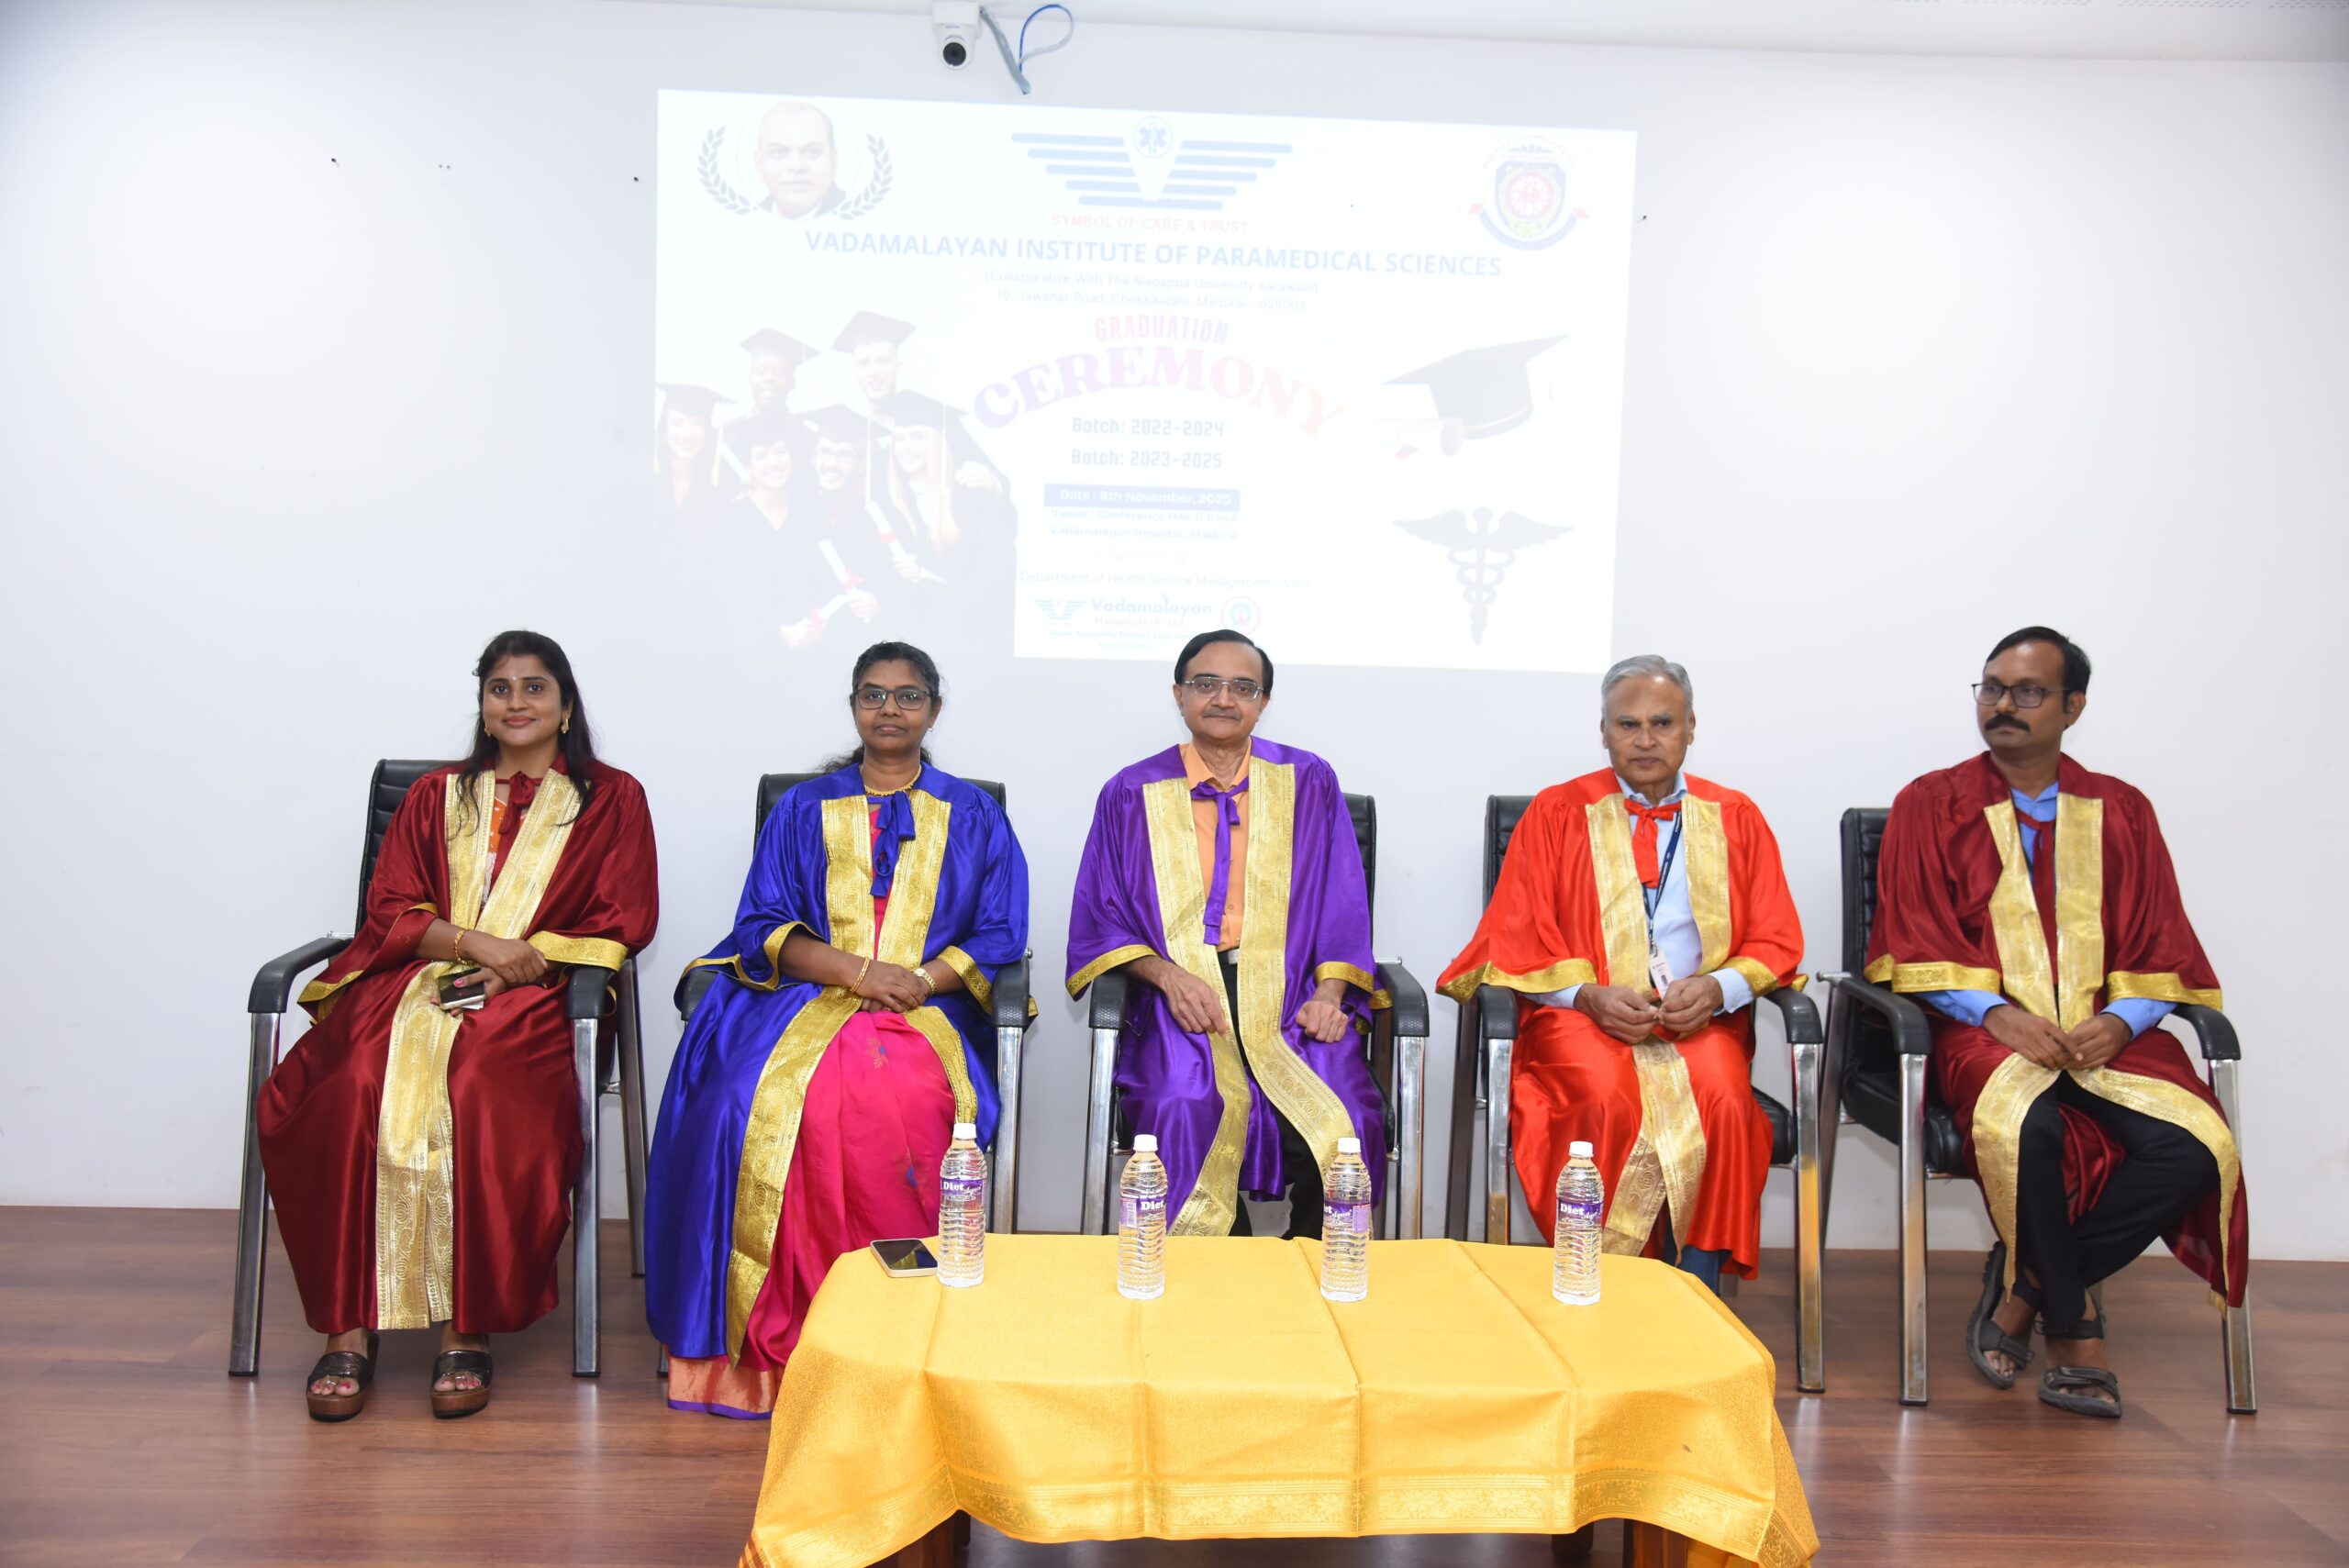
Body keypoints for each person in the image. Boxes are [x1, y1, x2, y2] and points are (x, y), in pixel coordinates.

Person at [256, 631, 659, 1421]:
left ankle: (466, 1324)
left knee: (478, 1081)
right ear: (482, 704)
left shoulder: (612, 798)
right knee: (349, 1083)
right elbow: (390, 909)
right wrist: (476, 945)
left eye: (535, 687)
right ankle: (348, 1324)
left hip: (541, 992)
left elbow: (623, 915)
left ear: (566, 706)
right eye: (500, 688)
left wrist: (520, 963)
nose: (516, 702)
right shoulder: (434, 794)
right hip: (414, 980)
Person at [1868, 626, 2244, 1418]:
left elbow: (2161, 937)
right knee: (2030, 1124)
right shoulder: (1928, 803)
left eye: (2028, 691)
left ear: (2073, 706)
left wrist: (2125, 1021)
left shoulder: (2123, 809)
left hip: (2104, 1034)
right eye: (1992, 687)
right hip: (1983, 1033)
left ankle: (2027, 1288)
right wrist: (1998, 1014)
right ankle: (2075, 1330)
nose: (2003, 705)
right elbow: (1915, 936)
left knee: (2196, 1146)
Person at [645, 642, 1029, 1418]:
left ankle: (897, 1339)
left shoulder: (975, 813)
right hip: (802, 996)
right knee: (736, 1098)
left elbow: (999, 932)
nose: (890, 709)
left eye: (908, 695)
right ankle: (769, 1349)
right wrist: (859, 973)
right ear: (853, 706)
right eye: (873, 694)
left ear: (934, 710)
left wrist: (913, 980)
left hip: (927, 1006)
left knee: (897, 1097)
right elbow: (761, 924)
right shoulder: (801, 807)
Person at [1437, 655, 1802, 1292]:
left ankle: (1694, 1289)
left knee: (1723, 1099)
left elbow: (1776, 937)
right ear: (1603, 731)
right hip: (1583, 1020)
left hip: (1695, 1021)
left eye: (1663, 722)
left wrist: (1716, 989)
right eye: (1627, 724)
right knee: (1603, 1096)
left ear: (1691, 727)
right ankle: (1594, 1277)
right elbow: (1511, 938)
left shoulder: (1735, 815)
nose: (1645, 739)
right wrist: (1586, 996)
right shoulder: (1556, 812)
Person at [1066, 629, 1384, 1238]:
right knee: (1180, 1105)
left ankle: (1319, 1264)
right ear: (1179, 695)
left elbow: (1342, 900)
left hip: (1293, 995)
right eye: (1206, 683)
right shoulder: (1131, 792)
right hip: (1181, 1000)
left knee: (1347, 1115)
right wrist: (1166, 976)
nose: (1223, 698)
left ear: (1263, 702)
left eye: (1243, 687)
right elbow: (1101, 916)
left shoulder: (1308, 779)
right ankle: (1211, 1271)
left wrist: (1330, 994)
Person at [654, 383, 733, 522]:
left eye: (697, 423)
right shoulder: (647, 481)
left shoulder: (720, 489)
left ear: (707, 432)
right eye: (677, 423)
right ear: (664, 429)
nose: (687, 434)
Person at [754, 100, 844, 219]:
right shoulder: (746, 220)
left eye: (813, 152)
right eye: (778, 152)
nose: (797, 166)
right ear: (759, 165)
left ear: (833, 162)